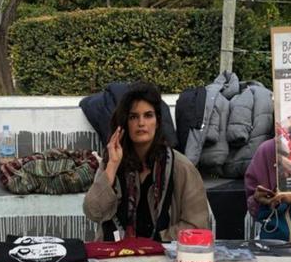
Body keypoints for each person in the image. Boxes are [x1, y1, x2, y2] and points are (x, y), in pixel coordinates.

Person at [83, 82, 209, 241]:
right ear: (124, 123)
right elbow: (93, 212)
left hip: (164, 258)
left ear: (157, 121)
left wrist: (156, 241)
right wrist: (112, 166)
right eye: (133, 117)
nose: (141, 123)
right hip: (115, 256)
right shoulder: (113, 161)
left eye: (148, 115)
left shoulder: (181, 167)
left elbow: (197, 225)